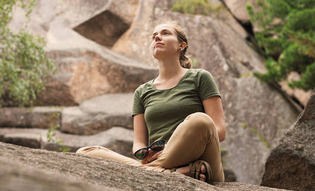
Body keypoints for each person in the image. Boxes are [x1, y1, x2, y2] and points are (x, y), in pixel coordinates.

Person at [77, 20, 226, 184]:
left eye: (165, 33)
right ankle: (171, 173)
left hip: (204, 162)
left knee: (200, 120)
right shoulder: (142, 92)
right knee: (85, 152)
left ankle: (153, 172)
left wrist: (169, 149)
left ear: (181, 46)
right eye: (154, 35)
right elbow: (139, 143)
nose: (157, 38)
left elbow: (219, 130)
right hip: (193, 169)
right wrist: (143, 153)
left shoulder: (200, 77)